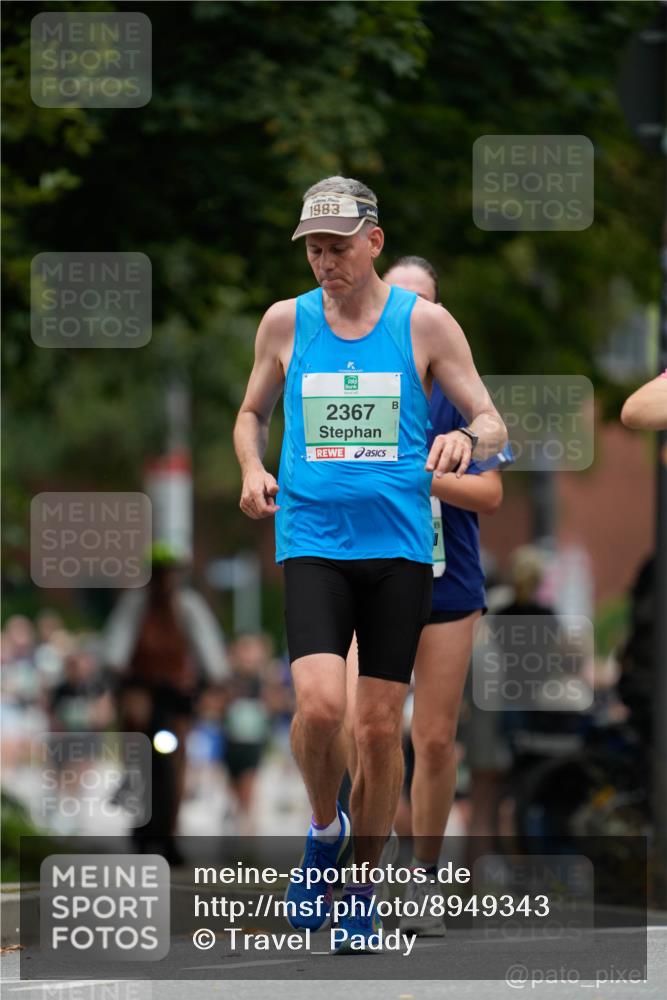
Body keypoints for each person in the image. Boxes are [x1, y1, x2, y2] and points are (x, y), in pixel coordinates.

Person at [233, 176, 507, 951]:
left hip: (398, 550)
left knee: (382, 729)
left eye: (338, 247)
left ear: (373, 241)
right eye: (314, 249)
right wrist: (252, 469)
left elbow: (491, 422)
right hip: (314, 540)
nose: (325, 262)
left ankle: (362, 883)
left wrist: (466, 439)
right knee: (320, 708)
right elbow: (250, 413)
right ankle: (325, 830)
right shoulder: (285, 323)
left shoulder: (424, 325)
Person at [344, 256, 507, 937]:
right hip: (365, 575)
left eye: (425, 304)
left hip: (447, 584)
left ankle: (423, 877)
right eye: (399, 301)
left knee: (434, 741)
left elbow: (490, 494)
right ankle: (362, 874)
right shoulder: (349, 378)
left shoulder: (459, 394)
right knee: (364, 731)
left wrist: (420, 477)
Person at [103, 544, 229, 863]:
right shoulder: (135, 605)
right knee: (136, 733)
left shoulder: (188, 606)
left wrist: (215, 680)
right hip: (142, 689)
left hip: (175, 697)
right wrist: (122, 678)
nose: (164, 582)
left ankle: (170, 831)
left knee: (178, 759)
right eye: (159, 575)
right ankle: (138, 811)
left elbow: (209, 649)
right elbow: (116, 649)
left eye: (169, 575)